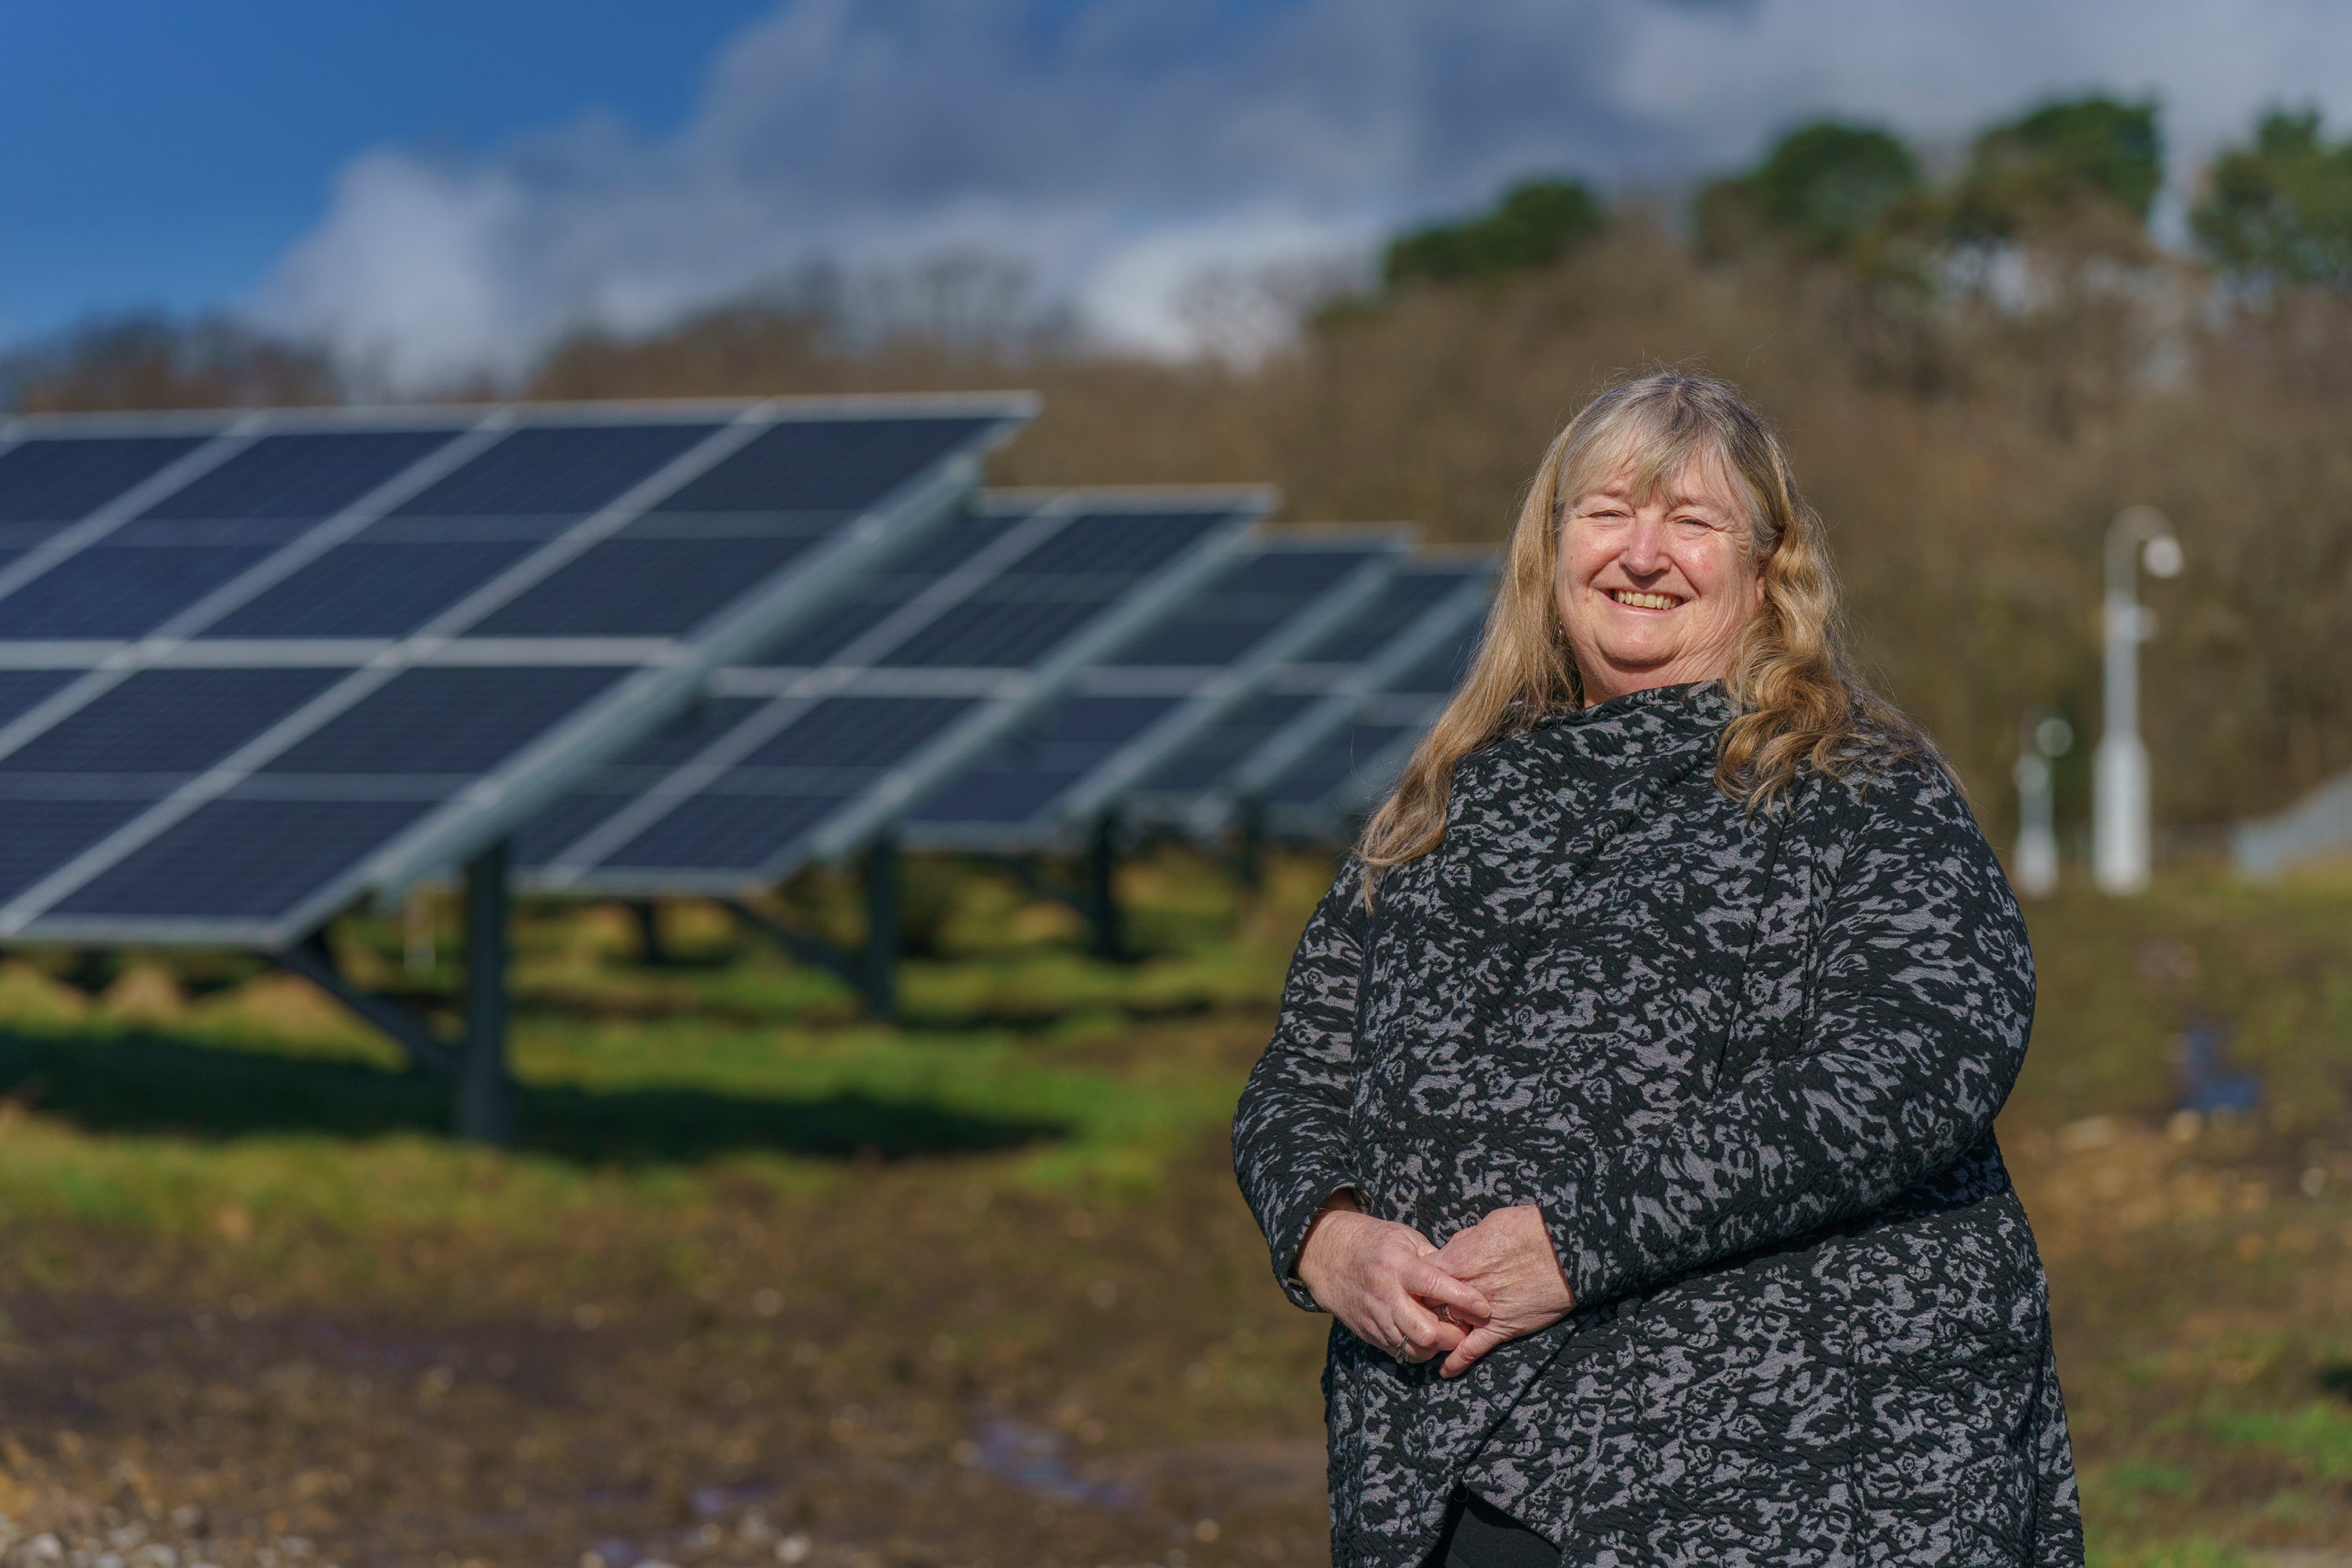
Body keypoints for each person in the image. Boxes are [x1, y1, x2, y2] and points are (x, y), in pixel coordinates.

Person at [1232, 371, 2078, 1568]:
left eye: (1691, 520)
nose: (1643, 553)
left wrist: (1582, 1240)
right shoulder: (1443, 803)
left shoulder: (1856, 786)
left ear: (1766, 565)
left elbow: (1920, 1061)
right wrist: (1328, 1239)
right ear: (1551, 547)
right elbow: (1295, 1082)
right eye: (1607, 512)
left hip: (1792, 1466)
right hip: (1450, 1463)